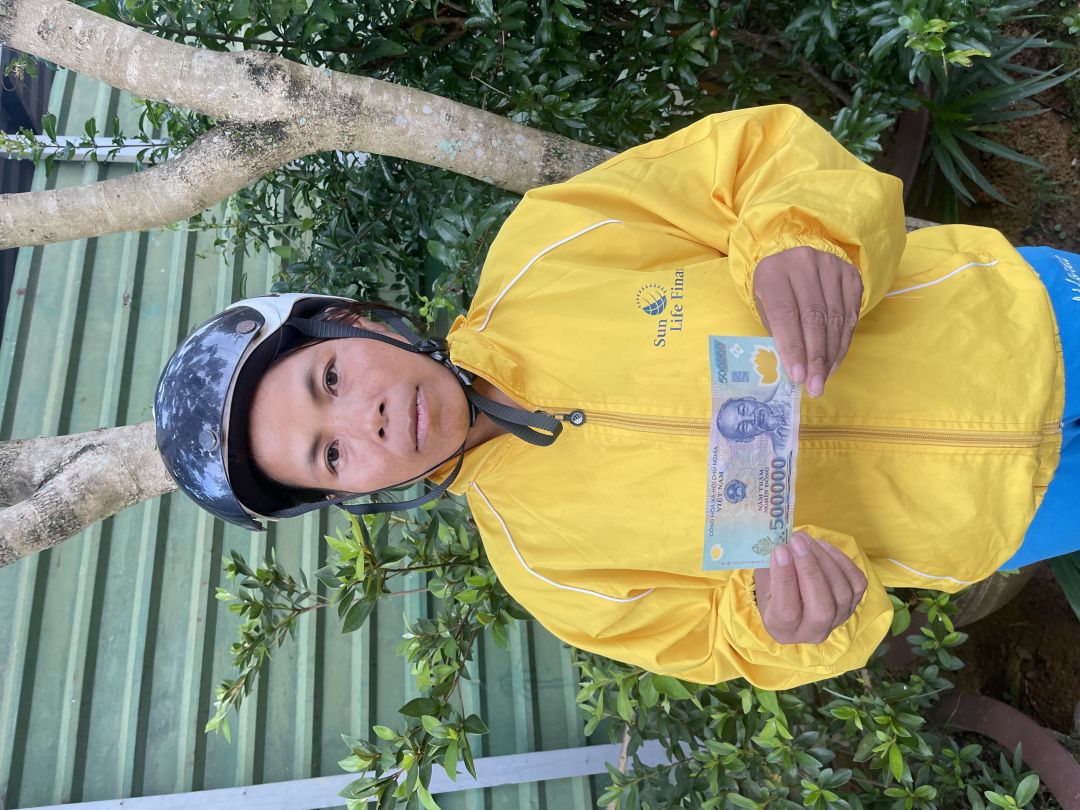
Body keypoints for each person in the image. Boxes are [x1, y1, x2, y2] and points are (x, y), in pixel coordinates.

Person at [155, 104, 1079, 690]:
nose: (370, 419)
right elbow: (726, 644)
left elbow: (750, 162)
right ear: (351, 493)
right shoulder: (551, 576)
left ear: (357, 322)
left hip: (1019, 317)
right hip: (1008, 513)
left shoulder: (549, 246)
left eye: (329, 380)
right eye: (330, 454)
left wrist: (802, 235)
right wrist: (789, 626)